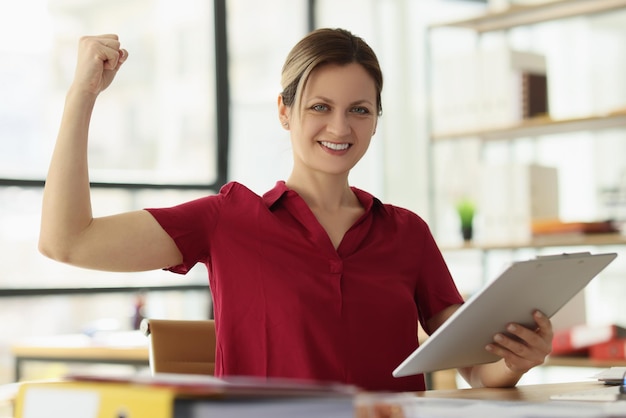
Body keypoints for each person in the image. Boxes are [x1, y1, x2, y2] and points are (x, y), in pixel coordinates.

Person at [39, 28, 553, 392]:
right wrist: (81, 96)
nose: (339, 128)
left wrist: (518, 359)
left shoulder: (407, 233)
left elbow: (480, 371)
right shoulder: (226, 220)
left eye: (359, 110)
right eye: (319, 107)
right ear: (284, 112)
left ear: (377, 120)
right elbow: (67, 241)